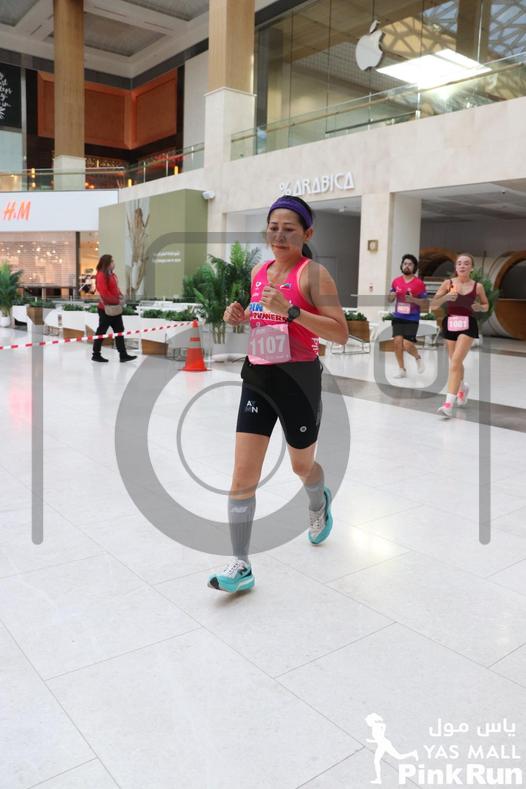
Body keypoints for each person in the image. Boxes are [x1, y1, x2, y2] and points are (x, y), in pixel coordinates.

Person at [208, 195, 348, 593]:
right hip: (258, 376)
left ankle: (318, 501)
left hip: (298, 381)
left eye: (289, 229)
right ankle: (241, 563)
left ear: (307, 233)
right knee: (242, 475)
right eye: (273, 228)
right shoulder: (260, 271)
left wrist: (293, 311)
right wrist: (240, 316)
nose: (279, 236)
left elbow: (341, 333)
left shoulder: (314, 275)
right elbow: (264, 318)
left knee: (301, 466)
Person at [430, 253, 488, 417]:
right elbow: (433, 304)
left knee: (455, 362)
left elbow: (486, 305)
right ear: (456, 267)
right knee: (455, 362)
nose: (462, 266)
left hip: (467, 324)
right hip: (450, 323)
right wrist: (446, 297)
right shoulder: (448, 283)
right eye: (459, 263)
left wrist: (479, 307)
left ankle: (448, 404)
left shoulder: (477, 287)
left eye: (466, 263)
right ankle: (463, 387)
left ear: (471, 268)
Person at [388, 254, 428, 378]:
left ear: (414, 267)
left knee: (407, 344)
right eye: (405, 263)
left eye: (410, 264)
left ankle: (418, 358)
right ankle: (402, 369)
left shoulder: (419, 283)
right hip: (398, 317)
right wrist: (391, 296)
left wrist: (413, 300)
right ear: (402, 265)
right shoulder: (396, 281)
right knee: (397, 343)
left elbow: (425, 303)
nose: (407, 266)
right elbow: (390, 299)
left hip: (412, 318)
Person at [92, 254, 136, 363]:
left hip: (115, 308)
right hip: (105, 309)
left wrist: (120, 295)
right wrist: (117, 301)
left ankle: (123, 355)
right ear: (107, 263)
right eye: (112, 261)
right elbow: (104, 293)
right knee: (101, 331)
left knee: (119, 331)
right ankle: (96, 355)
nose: (114, 263)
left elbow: (115, 288)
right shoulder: (101, 275)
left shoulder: (111, 274)